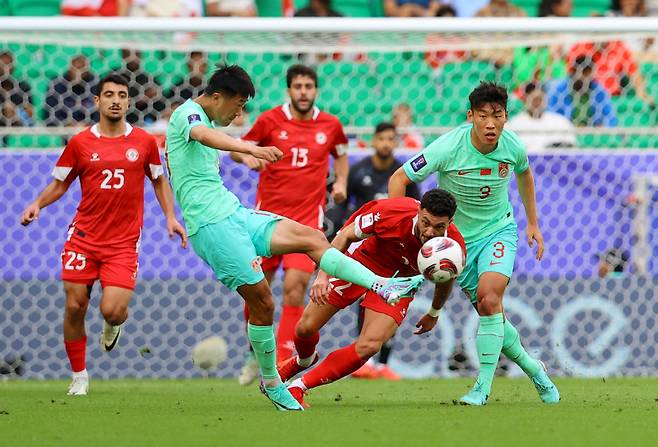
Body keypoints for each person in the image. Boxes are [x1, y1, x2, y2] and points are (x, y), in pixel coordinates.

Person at [164, 63, 424, 411]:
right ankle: (272, 382)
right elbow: (203, 137)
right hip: (212, 227)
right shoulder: (188, 116)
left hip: (235, 213)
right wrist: (251, 149)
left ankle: (381, 285)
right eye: (238, 105)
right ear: (215, 97)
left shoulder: (211, 120)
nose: (240, 113)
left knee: (313, 239)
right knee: (263, 303)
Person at [389, 81, 560, 406]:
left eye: (497, 115)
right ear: (471, 116)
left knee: (490, 297)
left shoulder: (513, 147)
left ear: (507, 117)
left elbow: (524, 174)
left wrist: (533, 223)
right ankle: (534, 370)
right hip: (457, 244)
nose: (491, 123)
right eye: (483, 115)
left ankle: (481, 388)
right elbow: (399, 178)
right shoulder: (447, 148)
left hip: (499, 231)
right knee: (489, 310)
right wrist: (401, 231)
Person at [20, 73, 187, 396]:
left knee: (112, 309)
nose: (115, 100)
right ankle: (79, 376)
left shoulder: (144, 142)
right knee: (74, 306)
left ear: (128, 101)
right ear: (97, 101)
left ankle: (113, 324)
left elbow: (158, 180)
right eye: (108, 94)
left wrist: (170, 217)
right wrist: (37, 204)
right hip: (83, 236)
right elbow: (61, 183)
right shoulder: (81, 142)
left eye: (121, 95)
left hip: (123, 243)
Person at [279, 190, 465, 405]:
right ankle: (302, 361)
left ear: (450, 222)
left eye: (439, 227)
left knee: (370, 345)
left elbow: (446, 278)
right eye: (426, 223)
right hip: (362, 263)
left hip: (399, 282)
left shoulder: (452, 246)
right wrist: (323, 275)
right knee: (305, 328)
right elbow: (345, 235)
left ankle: (298, 387)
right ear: (418, 211)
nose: (430, 232)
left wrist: (434, 312)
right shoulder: (391, 213)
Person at [232, 64, 349, 385]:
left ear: (316, 90)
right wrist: (249, 157)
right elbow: (237, 149)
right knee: (257, 291)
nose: (303, 92)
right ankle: (255, 353)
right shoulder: (270, 120)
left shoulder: (331, 125)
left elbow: (340, 153)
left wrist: (340, 182)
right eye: (297, 86)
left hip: (306, 224)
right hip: (266, 222)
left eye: (308, 86)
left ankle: (282, 362)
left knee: (296, 287)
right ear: (289, 90)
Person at [546, 55, 618, 127]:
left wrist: (604, 126)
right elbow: (550, 115)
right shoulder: (560, 90)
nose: (587, 78)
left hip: (591, 133)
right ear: (574, 72)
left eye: (589, 74)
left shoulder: (598, 91)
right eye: (584, 74)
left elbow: (611, 117)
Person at [507, 82, 576, 152]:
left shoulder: (560, 121)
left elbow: (571, 144)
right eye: (534, 99)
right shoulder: (515, 124)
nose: (537, 103)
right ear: (525, 99)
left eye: (540, 99)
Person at [44, 55, 98, 127]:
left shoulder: (95, 84)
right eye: (74, 68)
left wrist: (88, 125)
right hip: (64, 129)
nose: (77, 72)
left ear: (88, 70)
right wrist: (67, 124)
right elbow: (49, 114)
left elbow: (101, 114)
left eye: (81, 69)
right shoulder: (57, 84)